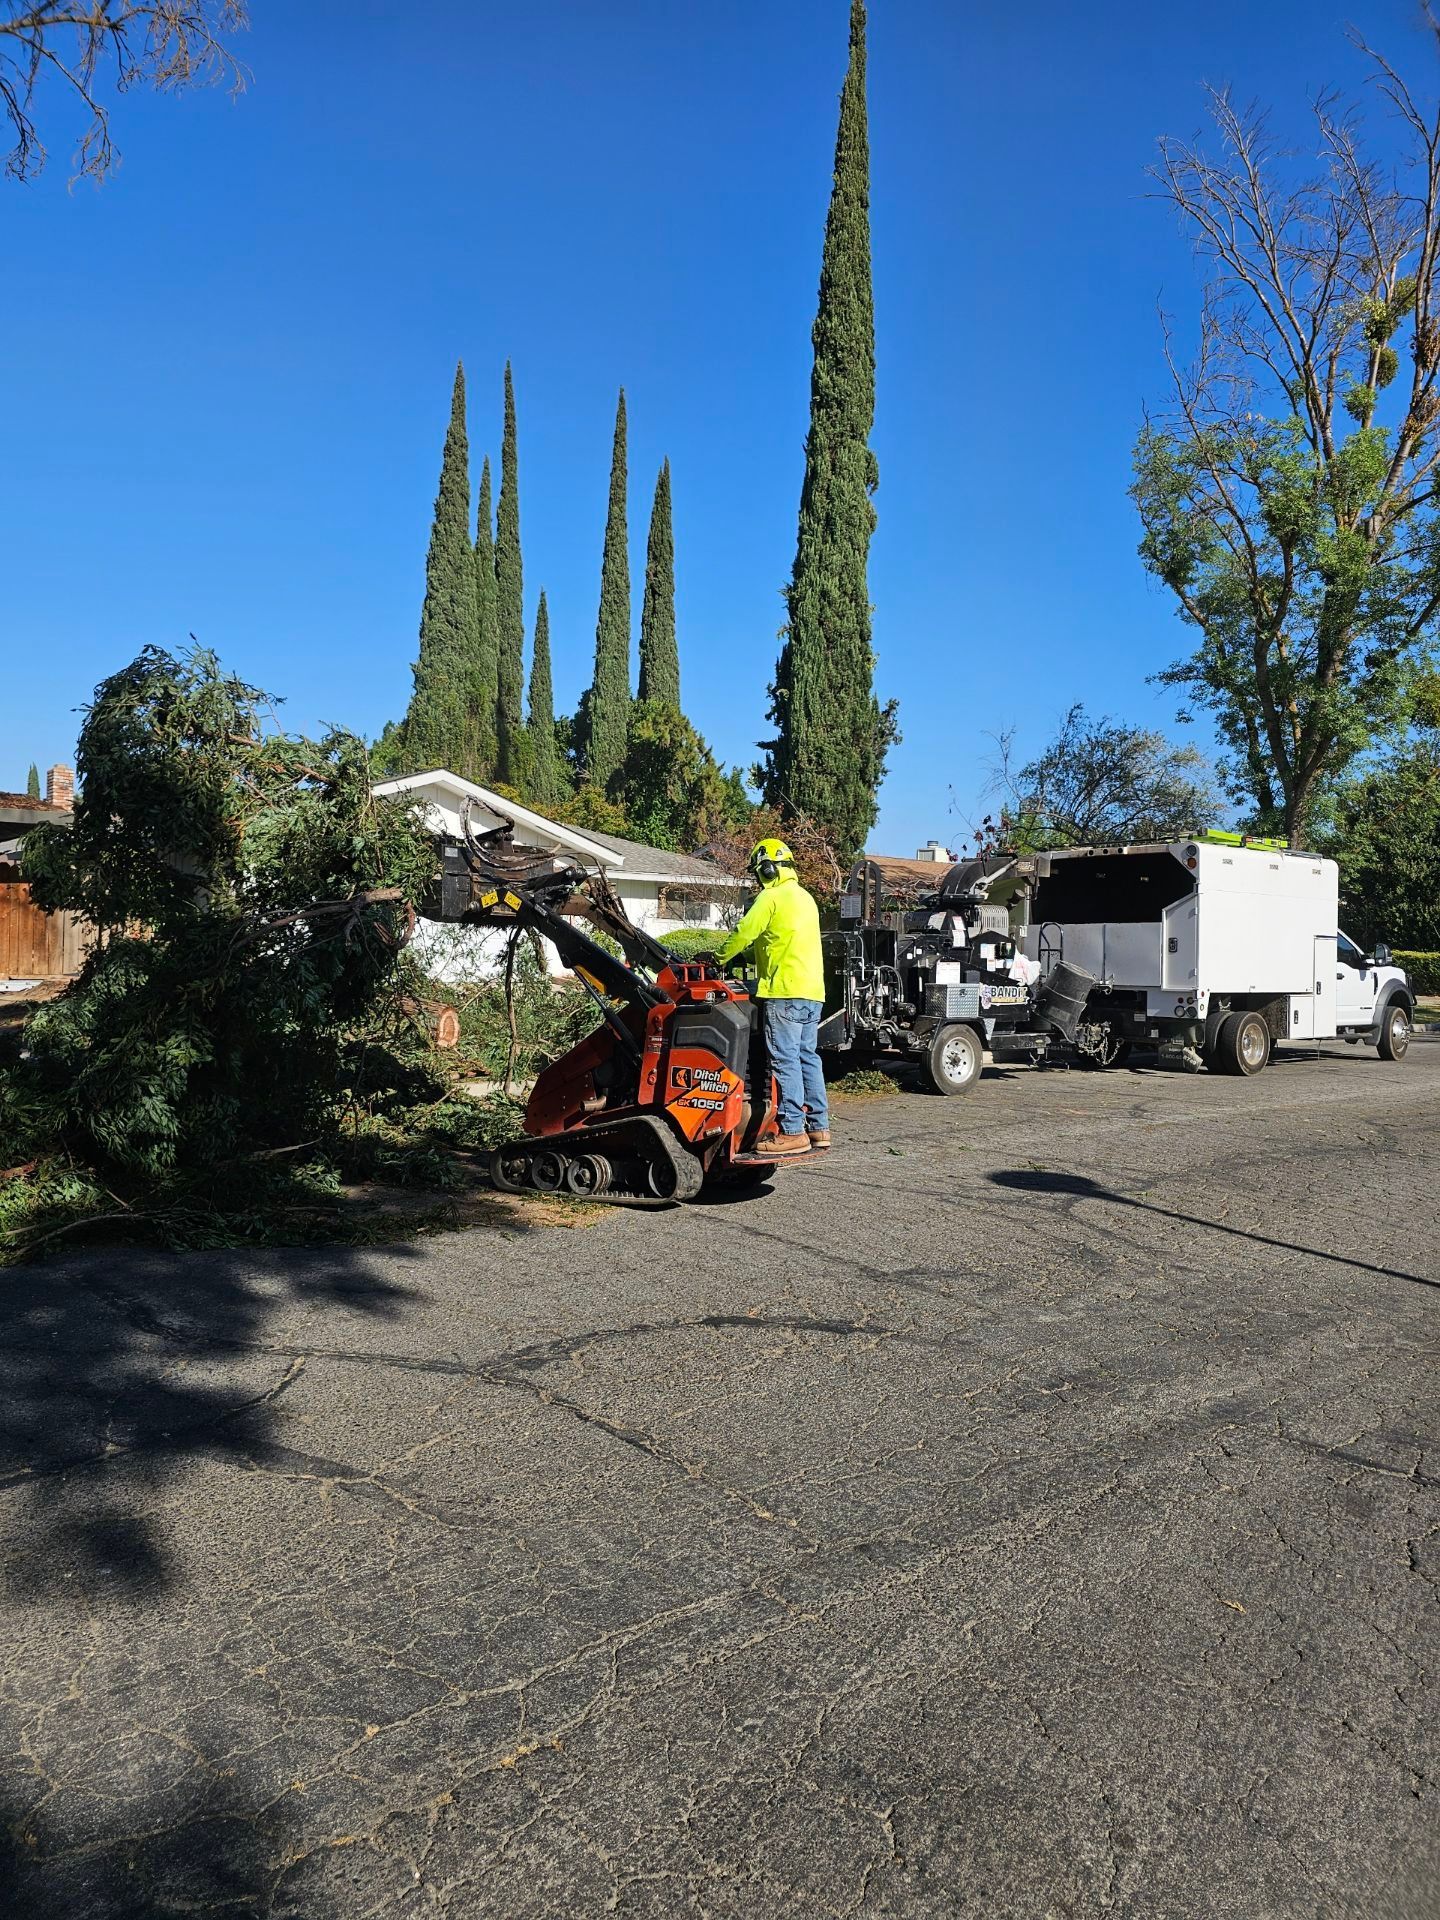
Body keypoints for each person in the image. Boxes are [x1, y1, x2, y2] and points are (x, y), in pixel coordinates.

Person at [714, 838, 830, 1157]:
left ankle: (792, 1131)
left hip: (784, 992)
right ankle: (819, 1127)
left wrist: (718, 958)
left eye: (758, 871)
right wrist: (748, 957)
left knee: (785, 1060)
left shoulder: (771, 897)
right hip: (812, 994)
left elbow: (744, 932)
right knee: (808, 1058)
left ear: (767, 868)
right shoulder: (805, 898)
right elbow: (778, 942)